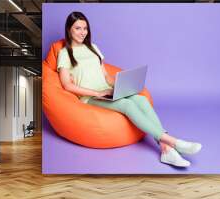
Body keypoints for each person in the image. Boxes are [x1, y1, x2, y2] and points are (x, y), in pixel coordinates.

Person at [57, 11, 202, 167]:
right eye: (78, 28)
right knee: (127, 105)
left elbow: (105, 76)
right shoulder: (65, 53)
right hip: (91, 97)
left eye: (85, 28)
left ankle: (166, 149)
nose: (82, 32)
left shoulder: (93, 47)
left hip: (106, 90)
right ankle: (174, 142)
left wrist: (121, 85)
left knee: (140, 99)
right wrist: (97, 93)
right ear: (69, 29)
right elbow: (67, 85)